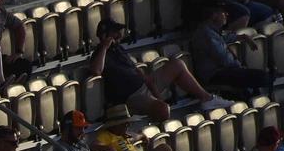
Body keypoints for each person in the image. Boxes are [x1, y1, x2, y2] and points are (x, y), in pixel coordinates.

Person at [90, 19, 231, 121]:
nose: (118, 35)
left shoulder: (118, 49)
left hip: (144, 86)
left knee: (177, 64)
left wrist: (157, 94)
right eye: (114, 32)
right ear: (105, 34)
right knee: (163, 110)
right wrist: (104, 47)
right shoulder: (99, 53)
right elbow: (96, 71)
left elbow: (138, 72)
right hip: (132, 97)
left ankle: (207, 98)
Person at [190, 4, 268, 95]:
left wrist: (243, 37)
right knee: (262, 77)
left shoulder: (212, 30)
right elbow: (224, 59)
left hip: (222, 70)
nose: (227, 14)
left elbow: (226, 37)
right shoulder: (206, 35)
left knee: (259, 77)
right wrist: (239, 65)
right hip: (214, 74)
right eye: (223, 12)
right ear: (214, 15)